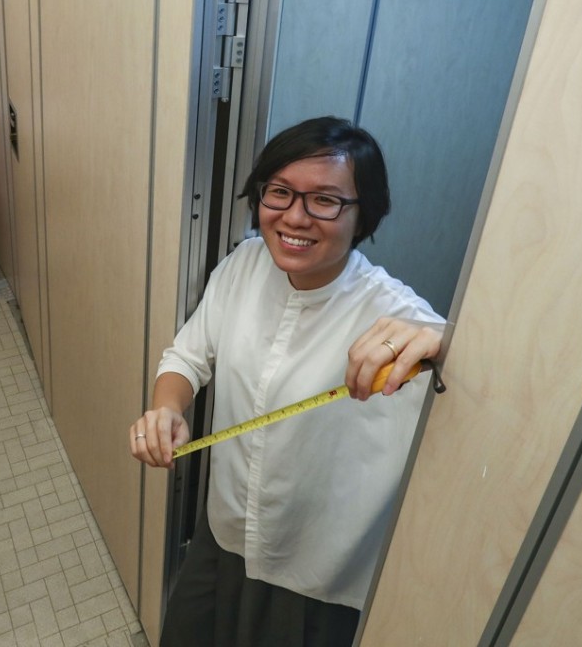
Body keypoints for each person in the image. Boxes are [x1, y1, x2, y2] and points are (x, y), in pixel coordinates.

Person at [129, 117, 445, 646]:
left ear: (363, 213)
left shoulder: (391, 310)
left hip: (314, 562)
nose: (295, 216)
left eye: (325, 200)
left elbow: (473, 365)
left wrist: (442, 341)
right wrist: (167, 409)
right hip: (225, 527)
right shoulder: (244, 264)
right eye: (279, 192)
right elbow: (187, 355)